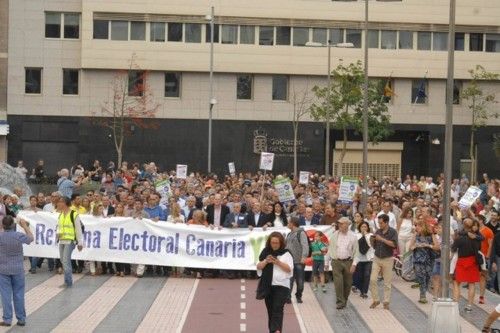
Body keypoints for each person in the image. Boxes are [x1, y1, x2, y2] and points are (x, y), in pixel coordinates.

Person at [256, 231, 293, 333]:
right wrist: (266, 261)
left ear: (281, 243)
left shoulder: (286, 254)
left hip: (282, 286)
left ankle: (275, 330)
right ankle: (274, 330)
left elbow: (289, 269)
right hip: (267, 286)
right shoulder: (265, 252)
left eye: (277, 243)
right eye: (272, 242)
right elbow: (258, 267)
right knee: (271, 310)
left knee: (277, 309)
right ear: (269, 242)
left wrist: (277, 262)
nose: (274, 245)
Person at [0, 216, 34, 327]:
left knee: (5, 295)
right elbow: (31, 238)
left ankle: (7, 319)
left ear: (3, 225)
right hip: (18, 269)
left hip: (3, 269)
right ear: (13, 225)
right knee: (19, 294)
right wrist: (24, 226)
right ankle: (21, 319)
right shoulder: (18, 236)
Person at [328, 217, 360, 309]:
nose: (340, 225)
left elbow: (356, 252)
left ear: (347, 224)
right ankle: (340, 301)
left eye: (342, 223)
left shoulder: (353, 236)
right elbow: (330, 248)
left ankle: (344, 300)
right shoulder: (334, 235)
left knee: (348, 283)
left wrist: (354, 264)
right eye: (339, 224)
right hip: (336, 261)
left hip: (348, 262)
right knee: (338, 283)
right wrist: (327, 262)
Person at [452, 218, 482, 312]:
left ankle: (456, 303)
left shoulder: (459, 238)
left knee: (456, 282)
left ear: (463, 226)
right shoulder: (476, 237)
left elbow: (453, 249)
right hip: (473, 261)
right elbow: (481, 242)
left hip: (461, 261)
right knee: (471, 283)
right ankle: (469, 305)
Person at [369, 214, 398, 310]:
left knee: (387, 282)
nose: (379, 225)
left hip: (388, 259)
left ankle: (386, 301)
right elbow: (374, 246)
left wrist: (382, 239)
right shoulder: (378, 231)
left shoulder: (393, 232)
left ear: (386, 222)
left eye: (381, 223)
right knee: (373, 279)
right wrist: (372, 240)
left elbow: (394, 245)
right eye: (378, 223)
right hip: (377, 257)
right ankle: (376, 300)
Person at [56, 197, 84, 288]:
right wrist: (57, 235)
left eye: (60, 202)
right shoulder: (60, 214)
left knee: (65, 261)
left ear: (65, 203)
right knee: (62, 260)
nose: (58, 204)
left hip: (70, 241)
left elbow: (78, 229)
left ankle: (68, 282)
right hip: (62, 240)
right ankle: (68, 281)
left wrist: (80, 243)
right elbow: (59, 227)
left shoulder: (74, 214)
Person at [409, 221, 439, 303]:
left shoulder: (431, 235)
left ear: (423, 227)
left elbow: (437, 247)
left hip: (429, 259)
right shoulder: (416, 235)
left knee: (428, 277)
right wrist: (415, 246)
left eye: (418, 226)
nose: (416, 228)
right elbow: (410, 247)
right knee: (420, 276)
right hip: (418, 259)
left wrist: (428, 245)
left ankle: (424, 291)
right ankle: (422, 295)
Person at [285, 216, 309, 304]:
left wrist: (304, 257)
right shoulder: (289, 234)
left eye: (288, 222)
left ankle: (298, 295)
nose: (287, 224)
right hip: (289, 262)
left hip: (299, 261)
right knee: (289, 280)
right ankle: (288, 297)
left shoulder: (301, 233)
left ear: (292, 223)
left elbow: (305, 245)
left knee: (300, 281)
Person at [353, 221, 374, 299]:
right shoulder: (356, 235)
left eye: (365, 227)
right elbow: (355, 246)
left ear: (368, 228)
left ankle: (364, 292)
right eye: (362, 227)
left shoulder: (371, 235)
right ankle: (361, 289)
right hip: (359, 259)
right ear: (359, 228)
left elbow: (371, 245)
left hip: (369, 259)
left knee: (367, 274)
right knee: (360, 276)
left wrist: (365, 236)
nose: (364, 228)